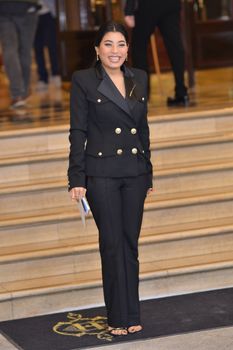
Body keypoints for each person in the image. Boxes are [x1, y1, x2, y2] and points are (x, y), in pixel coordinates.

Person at [68, 21, 153, 336]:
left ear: (127, 49)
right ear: (97, 49)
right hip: (101, 173)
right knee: (113, 244)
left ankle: (133, 313)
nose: (114, 50)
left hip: (134, 173)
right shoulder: (84, 81)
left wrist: (149, 171)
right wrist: (76, 177)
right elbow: (78, 130)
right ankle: (118, 317)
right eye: (108, 44)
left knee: (130, 244)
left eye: (120, 44)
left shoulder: (140, 78)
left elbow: (143, 130)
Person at [124, 0, 189, 106]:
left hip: (149, 4)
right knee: (175, 46)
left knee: (139, 47)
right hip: (171, 4)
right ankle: (181, 92)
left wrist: (129, 10)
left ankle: (142, 95)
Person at [0, 0, 40, 108]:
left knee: (9, 49)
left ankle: (17, 94)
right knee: (25, 51)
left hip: (3, 8)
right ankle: (23, 93)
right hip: (27, 7)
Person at [34, 0, 61, 91]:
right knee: (37, 47)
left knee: (52, 45)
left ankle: (56, 73)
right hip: (31, 16)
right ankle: (42, 78)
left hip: (49, 14)